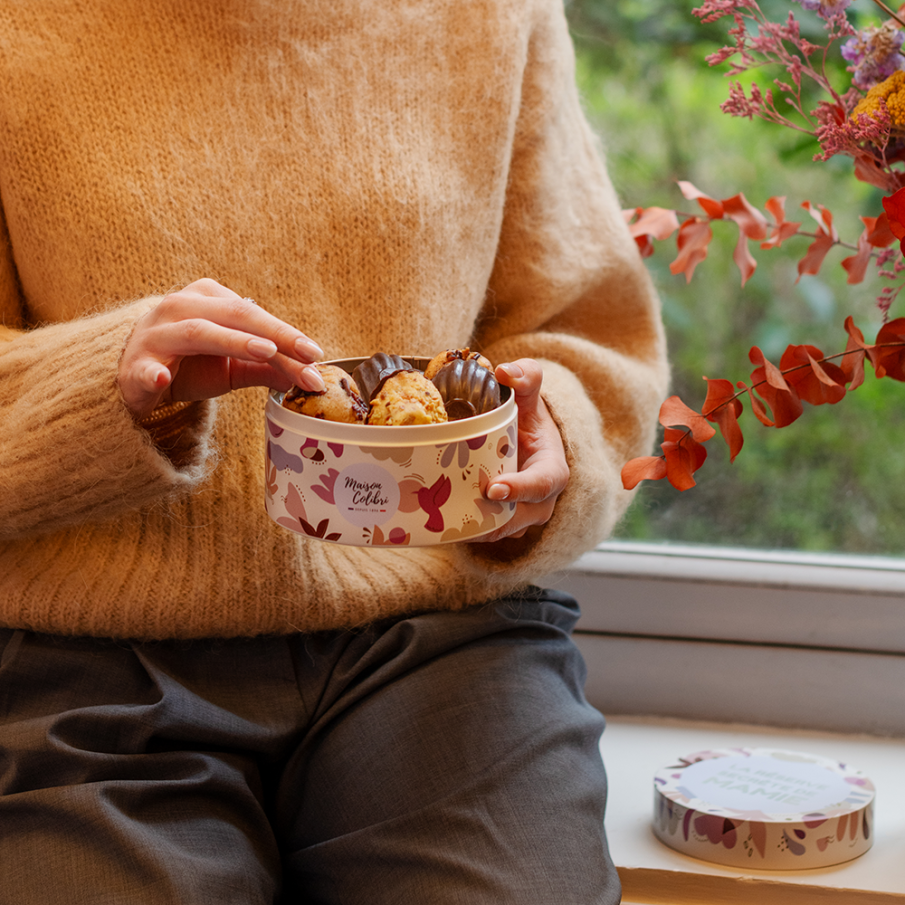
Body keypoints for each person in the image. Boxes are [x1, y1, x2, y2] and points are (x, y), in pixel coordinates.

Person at [0, 1, 668, 902]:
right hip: (84, 670)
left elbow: (588, 338)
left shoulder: (494, 15)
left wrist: (556, 448)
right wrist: (99, 382)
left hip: (438, 645)